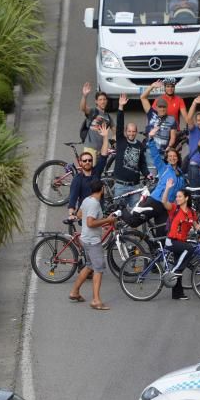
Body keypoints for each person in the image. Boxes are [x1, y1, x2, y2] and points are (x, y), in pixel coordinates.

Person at [68, 180, 118, 310]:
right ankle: (96, 300)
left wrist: (104, 223)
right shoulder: (95, 204)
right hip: (92, 241)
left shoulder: (87, 200)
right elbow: (90, 222)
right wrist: (108, 220)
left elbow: (79, 215)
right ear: (102, 189)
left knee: (89, 266)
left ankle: (74, 292)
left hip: (85, 239)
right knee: (98, 269)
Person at [159, 179, 200, 300]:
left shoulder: (191, 212)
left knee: (180, 264)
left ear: (186, 198)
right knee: (188, 250)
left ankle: (177, 294)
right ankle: (175, 271)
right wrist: (167, 188)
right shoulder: (174, 209)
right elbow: (164, 202)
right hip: (171, 241)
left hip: (180, 242)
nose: (177, 199)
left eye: (179, 196)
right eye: (177, 196)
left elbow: (197, 226)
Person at [112, 93, 150, 208]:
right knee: (117, 215)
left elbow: (142, 163)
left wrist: (147, 174)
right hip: (121, 186)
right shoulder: (121, 141)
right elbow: (119, 125)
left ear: (136, 132)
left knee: (135, 215)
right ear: (125, 132)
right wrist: (121, 107)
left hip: (135, 186)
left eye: (133, 131)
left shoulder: (139, 145)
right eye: (129, 131)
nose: (131, 133)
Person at [66, 124, 111, 215]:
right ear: (80, 162)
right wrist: (71, 214)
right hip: (86, 215)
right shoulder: (78, 179)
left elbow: (103, 155)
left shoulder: (96, 172)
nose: (87, 162)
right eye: (85, 160)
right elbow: (72, 199)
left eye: (89, 160)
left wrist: (105, 137)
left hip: (99, 213)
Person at [146, 125, 187, 202]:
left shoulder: (180, 173)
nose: (172, 158)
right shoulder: (163, 168)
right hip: (156, 200)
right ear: (167, 159)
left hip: (169, 204)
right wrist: (151, 138)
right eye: (170, 156)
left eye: (174, 156)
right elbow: (155, 155)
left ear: (178, 158)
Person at [79, 82, 113, 162]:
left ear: (107, 101)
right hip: (90, 148)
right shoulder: (93, 111)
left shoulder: (108, 117)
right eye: (100, 100)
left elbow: (115, 131)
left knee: (98, 172)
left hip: (101, 150)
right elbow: (83, 108)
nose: (102, 101)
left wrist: (114, 142)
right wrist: (84, 96)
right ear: (96, 102)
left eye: (104, 99)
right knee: (90, 172)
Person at [140, 83, 177, 151]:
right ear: (156, 107)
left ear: (167, 108)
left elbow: (172, 138)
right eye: (160, 107)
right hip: (149, 149)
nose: (162, 109)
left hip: (162, 151)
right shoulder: (151, 113)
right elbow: (143, 97)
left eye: (164, 107)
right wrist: (152, 86)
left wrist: (168, 148)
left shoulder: (172, 119)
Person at [182, 95, 200, 186]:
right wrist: (194, 103)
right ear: (196, 122)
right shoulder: (193, 130)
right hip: (195, 166)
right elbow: (188, 118)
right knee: (196, 194)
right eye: (199, 120)